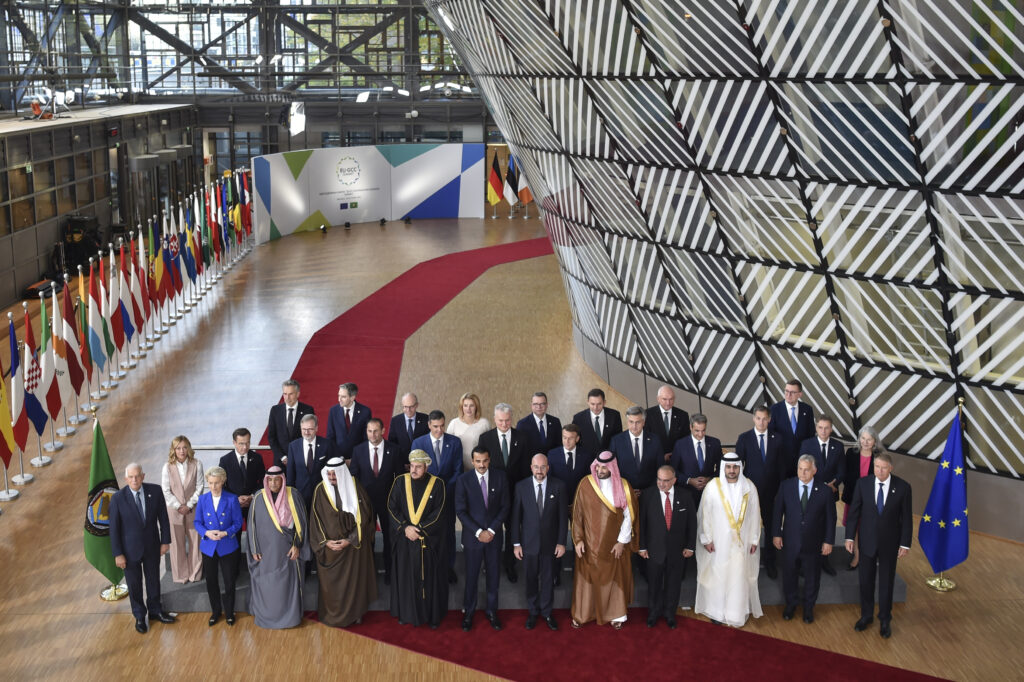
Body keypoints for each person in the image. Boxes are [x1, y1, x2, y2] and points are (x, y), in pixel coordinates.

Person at [845, 453, 912, 638]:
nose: (879, 471)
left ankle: (884, 619)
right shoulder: (863, 484)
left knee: (886, 583)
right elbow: (854, 513)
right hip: (867, 541)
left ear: (891, 468)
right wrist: (849, 537)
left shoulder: (903, 487)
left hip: (890, 543)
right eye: (876, 467)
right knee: (866, 581)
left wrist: (905, 544)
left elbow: (907, 518)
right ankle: (866, 616)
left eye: (883, 468)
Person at [570, 451, 638, 629]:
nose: (600, 470)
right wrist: (578, 539)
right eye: (598, 466)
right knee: (587, 580)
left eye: (604, 467)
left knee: (616, 579)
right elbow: (577, 514)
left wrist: (621, 542)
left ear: (612, 468)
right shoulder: (585, 484)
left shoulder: (624, 486)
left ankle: (616, 615)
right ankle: (583, 614)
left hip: (614, 545)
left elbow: (629, 517)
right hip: (589, 544)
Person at [694, 452, 762, 627]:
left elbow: (755, 515)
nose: (732, 470)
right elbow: (705, 515)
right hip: (718, 542)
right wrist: (706, 539)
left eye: (735, 467)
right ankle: (716, 612)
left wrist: (754, 540)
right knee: (718, 576)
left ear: (740, 467)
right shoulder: (712, 487)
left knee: (738, 576)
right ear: (723, 468)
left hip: (742, 542)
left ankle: (735, 613)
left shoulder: (749, 487)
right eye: (729, 467)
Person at [310, 458, 377, 627]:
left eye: (335, 474)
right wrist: (325, 542)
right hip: (331, 548)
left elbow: (365, 516)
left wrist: (350, 539)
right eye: (329, 474)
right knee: (333, 586)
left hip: (353, 547)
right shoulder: (320, 489)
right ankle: (332, 614)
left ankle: (355, 613)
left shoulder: (355, 486)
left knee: (355, 583)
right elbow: (315, 520)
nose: (332, 477)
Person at [109, 462, 175, 634]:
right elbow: (114, 529)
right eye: (131, 477)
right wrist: (118, 554)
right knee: (134, 584)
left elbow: (163, 518)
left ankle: (155, 611)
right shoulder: (118, 499)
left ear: (143, 476)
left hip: (152, 546)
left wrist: (165, 541)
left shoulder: (155, 491)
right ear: (126, 479)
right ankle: (139, 616)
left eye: (137, 476)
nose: (134, 480)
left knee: (153, 580)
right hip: (129, 552)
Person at [387, 449, 449, 628]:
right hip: (405, 540)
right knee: (405, 578)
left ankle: (430, 616)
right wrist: (405, 528)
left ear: (426, 467)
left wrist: (419, 530)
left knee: (428, 580)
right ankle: (405, 614)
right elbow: (391, 507)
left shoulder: (438, 484)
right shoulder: (400, 481)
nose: (413, 470)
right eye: (412, 466)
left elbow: (439, 513)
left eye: (418, 467)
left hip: (426, 542)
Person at [772, 455, 835, 624]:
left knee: (812, 577)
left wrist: (828, 541)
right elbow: (777, 512)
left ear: (814, 470)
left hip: (813, 543)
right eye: (800, 469)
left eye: (806, 470)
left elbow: (831, 519)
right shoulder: (786, 486)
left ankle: (808, 608)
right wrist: (776, 534)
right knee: (789, 574)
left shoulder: (825, 491)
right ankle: (790, 605)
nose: (802, 473)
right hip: (790, 541)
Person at [247, 466, 310, 629]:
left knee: (287, 588)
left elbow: (302, 524)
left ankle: (290, 618)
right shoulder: (259, 497)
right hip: (265, 554)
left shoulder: (293, 495)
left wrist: (297, 545)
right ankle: (267, 616)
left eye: (277, 480)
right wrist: (254, 548)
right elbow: (251, 525)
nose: (273, 483)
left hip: (288, 553)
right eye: (270, 480)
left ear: (283, 479)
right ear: (266, 480)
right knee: (268, 587)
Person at [455, 446, 510, 631]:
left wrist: (492, 530)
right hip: (473, 538)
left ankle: (492, 611)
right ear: (472, 461)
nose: (482, 465)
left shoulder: (500, 477)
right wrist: (479, 532)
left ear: (489, 460)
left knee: (493, 576)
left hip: (494, 536)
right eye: (478, 461)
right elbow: (461, 511)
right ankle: (468, 612)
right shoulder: (463, 480)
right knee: (471, 576)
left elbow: (505, 506)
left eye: (485, 460)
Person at [511, 454, 567, 631]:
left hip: (551, 544)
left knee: (548, 579)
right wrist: (516, 544)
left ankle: (547, 612)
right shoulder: (521, 487)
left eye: (543, 467)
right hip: (528, 544)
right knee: (530, 579)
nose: (539, 471)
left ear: (548, 468)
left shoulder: (559, 486)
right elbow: (515, 518)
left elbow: (562, 518)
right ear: (531, 468)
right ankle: (533, 611)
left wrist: (561, 542)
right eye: (536, 467)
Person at [638, 465, 696, 628]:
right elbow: (641, 523)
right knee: (654, 584)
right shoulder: (647, 495)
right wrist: (642, 546)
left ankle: (670, 614)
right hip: (654, 550)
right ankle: (653, 613)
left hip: (677, 551)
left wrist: (690, 546)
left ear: (674, 480)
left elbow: (692, 523)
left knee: (674, 584)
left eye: (665, 480)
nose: (661, 484)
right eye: (659, 479)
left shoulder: (686, 496)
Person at [478, 402, 530, 581]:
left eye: (507, 420)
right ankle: (490, 563)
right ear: (494, 419)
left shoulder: (522, 438)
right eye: (500, 421)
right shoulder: (485, 438)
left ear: (511, 418)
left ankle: (510, 564)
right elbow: (483, 467)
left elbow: (525, 469)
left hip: (515, 494)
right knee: (492, 528)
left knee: (513, 529)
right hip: (493, 494)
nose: (504, 424)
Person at [349, 417, 401, 584]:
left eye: (376, 431)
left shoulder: (394, 450)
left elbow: (399, 478)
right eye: (369, 431)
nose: (372, 435)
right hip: (366, 504)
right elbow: (354, 478)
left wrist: (396, 501)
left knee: (389, 538)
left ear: (383, 431)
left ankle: (390, 573)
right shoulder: (358, 450)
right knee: (367, 539)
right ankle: (369, 574)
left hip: (388, 503)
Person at [735, 406, 784, 579]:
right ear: (753, 418)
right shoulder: (744, 438)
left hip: (772, 493)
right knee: (748, 527)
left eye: (764, 419)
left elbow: (782, 468)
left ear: (769, 419)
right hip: (750, 493)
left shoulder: (778, 439)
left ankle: (770, 562)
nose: (761, 422)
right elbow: (738, 467)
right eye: (758, 418)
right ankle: (746, 561)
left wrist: (780, 491)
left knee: (771, 527)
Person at [194, 466, 244, 626]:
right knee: (211, 581)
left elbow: (238, 522)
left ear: (223, 481)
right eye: (210, 483)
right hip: (209, 546)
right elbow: (197, 522)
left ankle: (229, 613)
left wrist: (225, 533)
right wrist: (206, 533)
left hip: (227, 546)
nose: (213, 486)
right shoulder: (203, 499)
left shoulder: (231, 499)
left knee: (229, 582)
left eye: (216, 483)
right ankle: (215, 612)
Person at [799, 414, 845, 576]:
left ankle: (824, 561)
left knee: (827, 526)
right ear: (816, 428)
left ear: (831, 429)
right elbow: (803, 468)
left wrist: (834, 484)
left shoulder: (838, 446)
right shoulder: (807, 444)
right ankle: (804, 563)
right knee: (808, 527)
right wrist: (818, 486)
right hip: (811, 493)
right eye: (820, 427)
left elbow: (842, 470)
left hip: (830, 493)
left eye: (826, 428)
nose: (823, 431)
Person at [547, 423, 592, 586]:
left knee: (578, 539)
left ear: (577, 439)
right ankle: (555, 573)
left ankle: (577, 571)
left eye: (571, 438)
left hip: (578, 505)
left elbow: (588, 482)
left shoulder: (587, 456)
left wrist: (579, 503)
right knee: (556, 539)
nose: (567, 441)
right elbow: (550, 481)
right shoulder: (552, 455)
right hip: (558, 505)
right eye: (564, 438)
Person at [160, 435, 204, 584]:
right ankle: (181, 575)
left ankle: (195, 574)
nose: (182, 451)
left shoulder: (197, 464)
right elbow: (166, 490)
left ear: (189, 448)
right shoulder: (167, 467)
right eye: (178, 448)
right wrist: (178, 506)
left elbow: (200, 487)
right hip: (174, 511)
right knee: (176, 545)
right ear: (173, 450)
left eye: (185, 447)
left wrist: (189, 505)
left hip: (193, 509)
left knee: (195, 542)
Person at [842, 425, 882, 570]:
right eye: (863, 438)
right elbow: (846, 475)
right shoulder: (851, 453)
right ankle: (857, 556)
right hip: (853, 497)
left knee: (868, 528)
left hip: (871, 500)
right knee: (855, 527)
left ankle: (870, 554)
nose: (865, 442)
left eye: (869, 439)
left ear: (874, 441)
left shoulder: (879, 456)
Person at [669, 413, 723, 507]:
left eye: (703, 430)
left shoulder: (715, 443)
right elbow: (673, 470)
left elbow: (722, 467)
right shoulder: (680, 444)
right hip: (687, 495)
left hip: (710, 494)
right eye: (697, 431)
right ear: (690, 427)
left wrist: (709, 479)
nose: (700, 434)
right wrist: (689, 480)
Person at [286, 413, 336, 510]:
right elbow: (290, 474)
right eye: (304, 429)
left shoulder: (327, 445)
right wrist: (290, 496)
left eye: (310, 429)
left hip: (322, 495)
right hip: (300, 496)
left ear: (316, 428)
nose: (306, 432)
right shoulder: (293, 446)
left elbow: (332, 471)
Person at [610, 406, 662, 493]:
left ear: (644, 422)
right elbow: (613, 469)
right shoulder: (616, 441)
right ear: (627, 422)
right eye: (631, 422)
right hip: (625, 491)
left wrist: (649, 490)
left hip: (649, 491)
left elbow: (660, 467)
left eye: (638, 422)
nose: (634, 426)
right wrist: (625, 489)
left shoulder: (655, 440)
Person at [769, 379, 814, 478]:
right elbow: (771, 435)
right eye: (786, 391)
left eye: (792, 392)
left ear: (800, 394)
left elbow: (811, 435)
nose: (788, 395)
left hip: (801, 462)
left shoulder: (807, 410)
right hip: (781, 461)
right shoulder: (774, 409)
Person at [267, 378, 315, 467]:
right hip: (281, 462)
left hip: (301, 460)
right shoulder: (275, 410)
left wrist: (299, 455)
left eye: (291, 394)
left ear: (298, 394)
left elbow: (310, 435)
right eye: (285, 394)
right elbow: (271, 437)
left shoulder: (308, 410)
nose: (287, 398)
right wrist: (282, 457)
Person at [218, 427, 265, 513]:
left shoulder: (257, 458)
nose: (245, 447)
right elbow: (221, 485)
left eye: (248, 443)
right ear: (234, 443)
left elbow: (263, 481)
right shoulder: (225, 460)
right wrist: (235, 498)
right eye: (241, 444)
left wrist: (252, 496)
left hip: (253, 503)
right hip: (232, 504)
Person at [326, 382, 372, 461]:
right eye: (339, 395)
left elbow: (366, 438)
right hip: (338, 458)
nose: (339, 399)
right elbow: (330, 437)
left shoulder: (365, 412)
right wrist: (338, 457)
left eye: (343, 397)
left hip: (358, 458)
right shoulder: (333, 411)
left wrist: (356, 458)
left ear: (352, 397)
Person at [447, 392, 491, 472]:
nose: (468, 409)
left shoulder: (484, 423)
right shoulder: (454, 423)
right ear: (461, 407)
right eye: (465, 405)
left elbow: (489, 446)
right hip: (459, 468)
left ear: (476, 407)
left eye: (471, 405)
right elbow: (448, 448)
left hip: (480, 468)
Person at [571, 388, 623, 454]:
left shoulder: (614, 415)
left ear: (604, 402)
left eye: (599, 404)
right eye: (592, 404)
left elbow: (618, 439)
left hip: (609, 458)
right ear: (588, 402)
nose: (595, 407)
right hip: (587, 459)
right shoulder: (578, 418)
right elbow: (575, 441)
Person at [645, 385, 689, 458]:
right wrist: (661, 456)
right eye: (664, 399)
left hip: (676, 458)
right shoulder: (647, 415)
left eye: (671, 399)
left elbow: (686, 440)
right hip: (655, 459)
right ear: (658, 399)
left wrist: (674, 454)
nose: (668, 403)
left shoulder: (683, 415)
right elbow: (645, 440)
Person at [388, 392, 429, 465]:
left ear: (416, 405)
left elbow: (428, 443)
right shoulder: (395, 421)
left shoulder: (426, 419)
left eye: (411, 407)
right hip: (401, 465)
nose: (408, 410)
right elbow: (392, 445)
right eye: (405, 407)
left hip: (421, 464)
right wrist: (401, 463)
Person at [516, 391, 562, 456]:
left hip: (552, 461)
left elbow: (559, 446)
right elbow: (520, 450)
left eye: (542, 404)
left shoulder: (555, 422)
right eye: (535, 404)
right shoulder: (522, 424)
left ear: (547, 405)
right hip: (531, 462)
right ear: (531, 405)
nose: (539, 407)